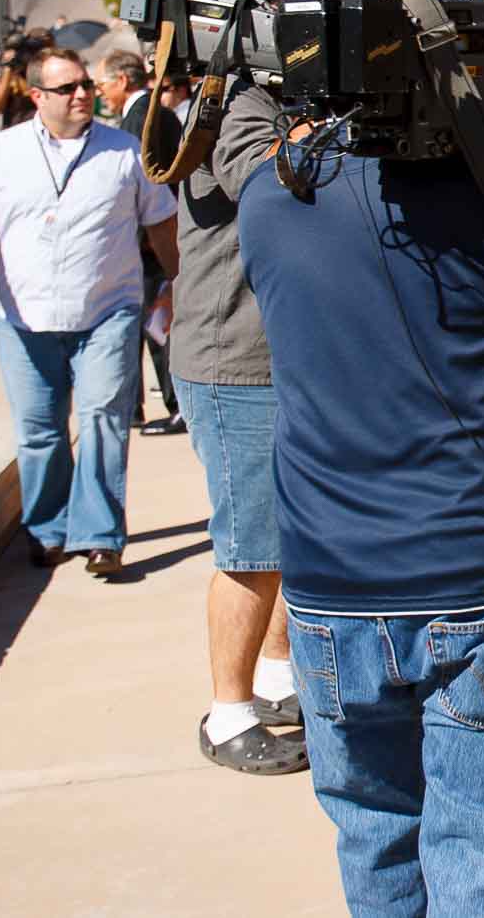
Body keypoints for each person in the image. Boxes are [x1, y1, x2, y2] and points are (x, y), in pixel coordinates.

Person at [228, 56, 484, 915]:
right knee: (483, 850)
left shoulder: (272, 195)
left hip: (330, 581)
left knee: (375, 838)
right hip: (482, 576)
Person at [0, 49, 178, 576]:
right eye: (67, 88)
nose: (82, 95)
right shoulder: (3, 153)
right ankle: (48, 530)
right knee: (39, 430)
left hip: (107, 311)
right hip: (21, 316)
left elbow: (161, 223)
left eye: (85, 85)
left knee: (102, 418)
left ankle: (100, 536)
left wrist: (176, 282)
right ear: (36, 97)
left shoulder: (124, 151)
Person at [168, 78, 308, 774]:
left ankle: (278, 677)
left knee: (288, 540)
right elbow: (269, 178)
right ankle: (228, 714)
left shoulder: (286, 102)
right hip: (234, 364)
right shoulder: (240, 108)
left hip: (281, 361)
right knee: (251, 549)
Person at [96, 49, 188, 436]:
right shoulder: (151, 111)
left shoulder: (140, 119)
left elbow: (140, 186)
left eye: (101, 84)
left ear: (121, 81)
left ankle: (177, 404)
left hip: (151, 242)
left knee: (158, 324)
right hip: (152, 238)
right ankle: (147, 405)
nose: (99, 93)